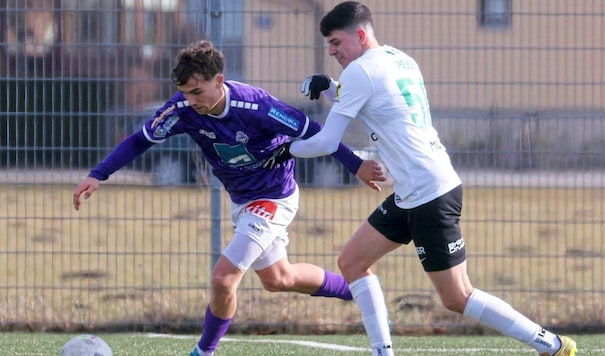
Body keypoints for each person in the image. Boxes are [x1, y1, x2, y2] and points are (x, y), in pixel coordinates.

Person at [271, 2, 578, 356]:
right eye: (328, 45)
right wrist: (331, 86)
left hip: (429, 194)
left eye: (337, 42)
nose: (332, 51)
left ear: (360, 35)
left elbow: (326, 140)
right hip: (413, 191)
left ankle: (551, 344)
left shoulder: (361, 73)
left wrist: (284, 150)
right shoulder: (400, 59)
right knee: (352, 262)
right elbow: (377, 100)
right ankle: (382, 351)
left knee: (457, 296)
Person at [72, 40, 386, 356]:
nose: (190, 100)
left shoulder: (257, 107)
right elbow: (141, 139)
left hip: (274, 198)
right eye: (184, 92)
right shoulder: (182, 109)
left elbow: (314, 130)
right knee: (279, 278)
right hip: (243, 201)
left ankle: (203, 352)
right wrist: (98, 173)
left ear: (219, 81)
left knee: (223, 279)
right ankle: (361, 291)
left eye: (197, 92)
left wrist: (356, 165)